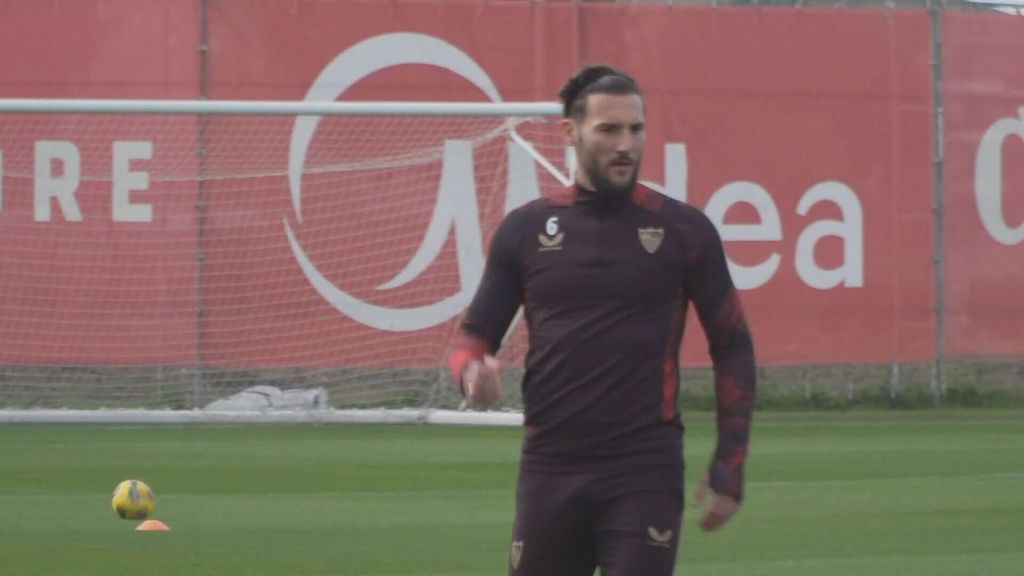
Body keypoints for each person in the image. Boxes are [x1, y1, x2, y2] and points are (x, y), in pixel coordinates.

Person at [447, 64, 756, 576]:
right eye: (608, 129)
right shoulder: (524, 231)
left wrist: (731, 462)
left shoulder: (684, 230)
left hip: (643, 468)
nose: (626, 145)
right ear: (571, 132)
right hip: (550, 465)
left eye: (636, 129)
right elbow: (471, 336)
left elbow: (734, 345)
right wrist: (470, 372)